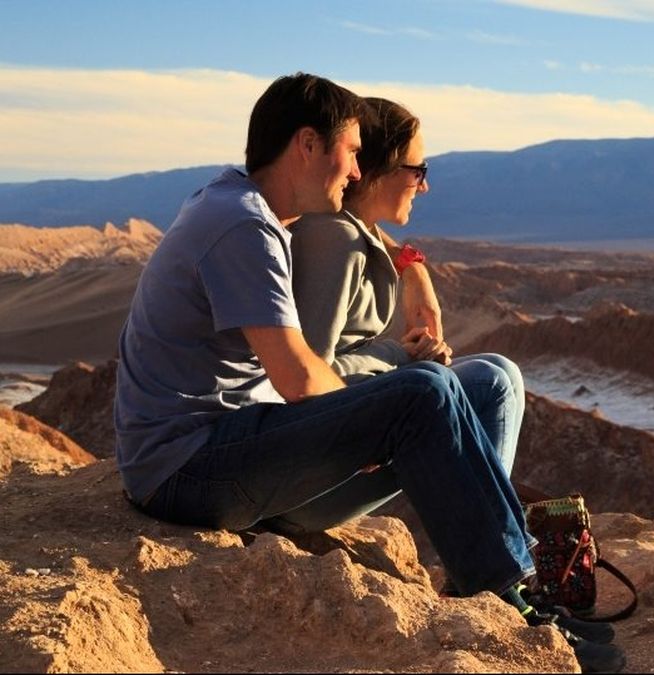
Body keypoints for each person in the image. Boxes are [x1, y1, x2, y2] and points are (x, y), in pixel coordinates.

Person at [112, 73, 623, 672]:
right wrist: (378, 415)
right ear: (307, 144)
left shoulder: (242, 207)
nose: (357, 172)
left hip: (225, 454)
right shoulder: (242, 226)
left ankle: (505, 579)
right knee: (422, 392)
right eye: (352, 152)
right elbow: (300, 379)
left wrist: (411, 268)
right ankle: (510, 604)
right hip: (187, 469)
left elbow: (360, 247)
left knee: (474, 383)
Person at [288, 96, 524, 475]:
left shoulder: (354, 235)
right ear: (377, 171)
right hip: (317, 463)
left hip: (337, 441)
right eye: (418, 170)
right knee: (490, 381)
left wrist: (411, 265)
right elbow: (310, 375)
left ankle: (497, 524)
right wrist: (400, 356)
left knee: (501, 370)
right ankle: (492, 531)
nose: (424, 186)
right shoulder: (336, 242)